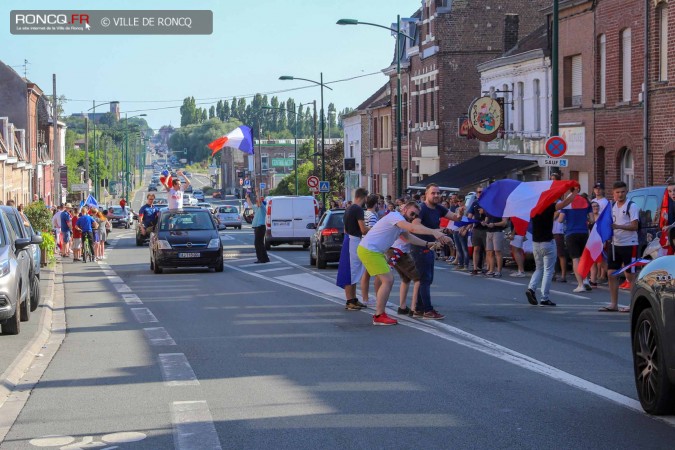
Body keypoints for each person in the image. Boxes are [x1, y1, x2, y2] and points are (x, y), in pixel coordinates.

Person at [358, 201, 451, 325]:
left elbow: (408, 237)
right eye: (412, 213)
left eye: (416, 216)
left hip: (374, 251)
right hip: (370, 250)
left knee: (387, 280)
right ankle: (379, 315)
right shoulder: (395, 216)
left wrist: (428, 244)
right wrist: (434, 232)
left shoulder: (399, 221)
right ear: (405, 209)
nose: (413, 217)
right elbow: (412, 228)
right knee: (388, 280)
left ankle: (380, 313)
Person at [410, 183, 464, 320]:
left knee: (426, 279)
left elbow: (455, 218)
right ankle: (427, 310)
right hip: (420, 246)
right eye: (433, 193)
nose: (436, 195)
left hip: (431, 246)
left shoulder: (438, 207)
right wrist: (435, 232)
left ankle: (419, 308)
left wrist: (460, 213)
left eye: (438, 193)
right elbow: (415, 224)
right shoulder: (421, 208)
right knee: (425, 279)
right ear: (426, 195)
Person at [525, 184, 579, 307]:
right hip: (548, 242)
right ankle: (545, 297)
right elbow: (566, 202)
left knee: (539, 268)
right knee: (548, 270)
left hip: (535, 243)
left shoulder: (533, 210)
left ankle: (531, 288)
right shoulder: (549, 207)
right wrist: (575, 191)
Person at [600, 181, 639, 312]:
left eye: (622, 192)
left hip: (630, 244)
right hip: (615, 244)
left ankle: (632, 304)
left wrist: (618, 227)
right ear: (613, 193)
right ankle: (613, 303)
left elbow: (635, 226)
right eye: (617, 192)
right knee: (611, 273)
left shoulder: (632, 206)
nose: (620, 194)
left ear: (626, 191)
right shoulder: (611, 207)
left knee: (630, 276)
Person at [336, 188, 369, 311]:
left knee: (353, 271)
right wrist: (375, 228)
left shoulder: (349, 208)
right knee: (351, 271)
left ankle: (353, 299)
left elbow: (345, 229)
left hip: (348, 239)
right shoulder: (358, 209)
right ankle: (350, 300)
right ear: (364, 197)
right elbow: (363, 229)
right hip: (354, 241)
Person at [558, 194, 593, 293]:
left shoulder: (567, 204)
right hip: (584, 233)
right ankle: (586, 280)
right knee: (584, 258)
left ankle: (580, 284)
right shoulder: (586, 203)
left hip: (571, 233)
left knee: (575, 259)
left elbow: (560, 220)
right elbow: (592, 219)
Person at [361, 194, 380, 306]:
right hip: (371, 246)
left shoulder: (365, 214)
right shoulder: (372, 216)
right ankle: (379, 298)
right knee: (378, 273)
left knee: (366, 274)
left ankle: (365, 298)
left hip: (364, 244)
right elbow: (373, 231)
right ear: (375, 204)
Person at [248, 191, 269, 264]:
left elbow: (259, 201)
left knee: (258, 244)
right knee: (260, 244)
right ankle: (265, 258)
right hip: (258, 228)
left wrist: (257, 192)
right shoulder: (257, 208)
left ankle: (261, 259)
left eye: (257, 201)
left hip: (260, 227)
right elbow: (250, 205)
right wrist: (247, 197)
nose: (256, 202)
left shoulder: (262, 207)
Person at [484, 212, 507, 277]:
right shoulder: (489, 209)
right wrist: (484, 223)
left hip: (498, 231)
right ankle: (491, 270)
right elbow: (487, 219)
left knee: (497, 251)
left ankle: (499, 271)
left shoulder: (502, 210)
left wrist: (494, 224)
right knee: (489, 251)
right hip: (489, 231)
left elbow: (504, 222)